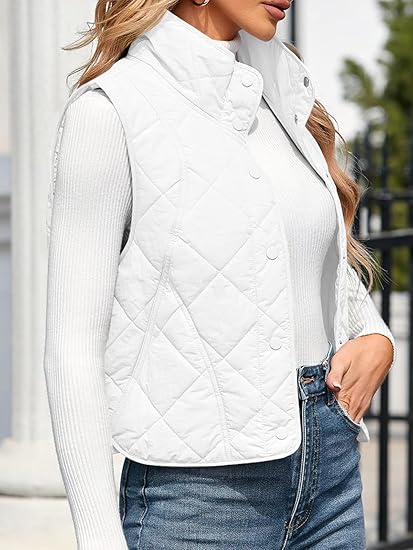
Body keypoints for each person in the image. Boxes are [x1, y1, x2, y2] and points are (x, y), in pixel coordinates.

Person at [43, 1, 396, 548]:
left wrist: (373, 333)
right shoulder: (112, 110)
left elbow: (302, 249)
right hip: (198, 501)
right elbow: (73, 344)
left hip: (332, 478)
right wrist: (98, 537)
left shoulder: (281, 91)